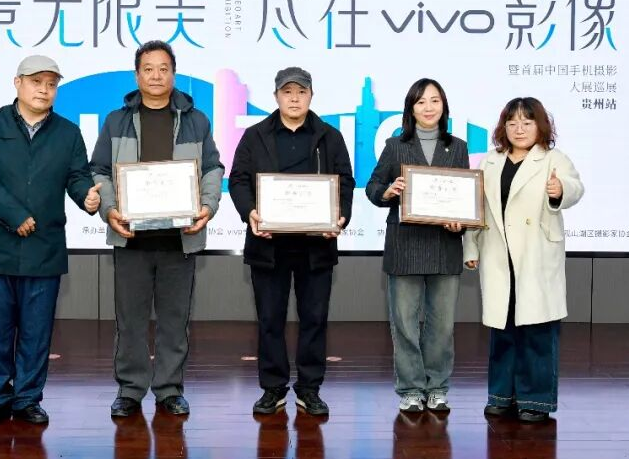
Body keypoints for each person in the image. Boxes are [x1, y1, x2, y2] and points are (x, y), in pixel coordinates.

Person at [90, 40, 224, 419]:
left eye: (163, 69)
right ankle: (130, 390)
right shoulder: (116, 120)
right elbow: (99, 170)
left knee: (174, 321)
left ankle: (169, 389)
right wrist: (110, 210)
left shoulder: (196, 120)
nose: (156, 76)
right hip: (131, 238)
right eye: (148, 69)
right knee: (130, 321)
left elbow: (213, 168)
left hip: (179, 239)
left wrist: (208, 206)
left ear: (173, 74)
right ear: (137, 75)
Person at [0, 54, 101, 427]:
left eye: (51, 84)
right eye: (36, 82)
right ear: (18, 83)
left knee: (36, 333)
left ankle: (27, 399)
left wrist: (87, 197)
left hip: (44, 247)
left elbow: (77, 176)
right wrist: (14, 215)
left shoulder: (68, 133)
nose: (44, 90)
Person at [229, 67, 355, 417]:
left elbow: (345, 181)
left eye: (301, 92)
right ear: (276, 97)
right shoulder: (255, 136)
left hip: (316, 246)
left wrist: (340, 216)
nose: (295, 98)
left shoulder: (330, 136)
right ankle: (273, 388)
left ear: (311, 95)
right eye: (288, 92)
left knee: (314, 318)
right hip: (268, 245)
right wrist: (250, 212)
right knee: (270, 319)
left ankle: (309, 389)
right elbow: (238, 180)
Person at [463, 97, 583, 422]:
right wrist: (471, 249)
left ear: (540, 126)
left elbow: (576, 187)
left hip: (535, 255)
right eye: (512, 122)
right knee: (502, 330)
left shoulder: (553, 158)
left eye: (527, 123)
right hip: (498, 254)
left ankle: (536, 401)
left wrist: (560, 189)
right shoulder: (490, 161)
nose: (519, 129)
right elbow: (476, 209)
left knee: (537, 331)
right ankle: (501, 396)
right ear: (503, 127)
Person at [366, 78, 469, 413]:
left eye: (435, 100)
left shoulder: (458, 147)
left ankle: (437, 386)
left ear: (444, 106)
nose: (428, 107)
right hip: (405, 245)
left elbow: (465, 196)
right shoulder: (395, 145)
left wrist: (461, 220)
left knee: (442, 325)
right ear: (410, 109)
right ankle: (411, 388)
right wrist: (387, 192)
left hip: (445, 245)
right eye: (421, 101)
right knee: (405, 324)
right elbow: (372, 187)